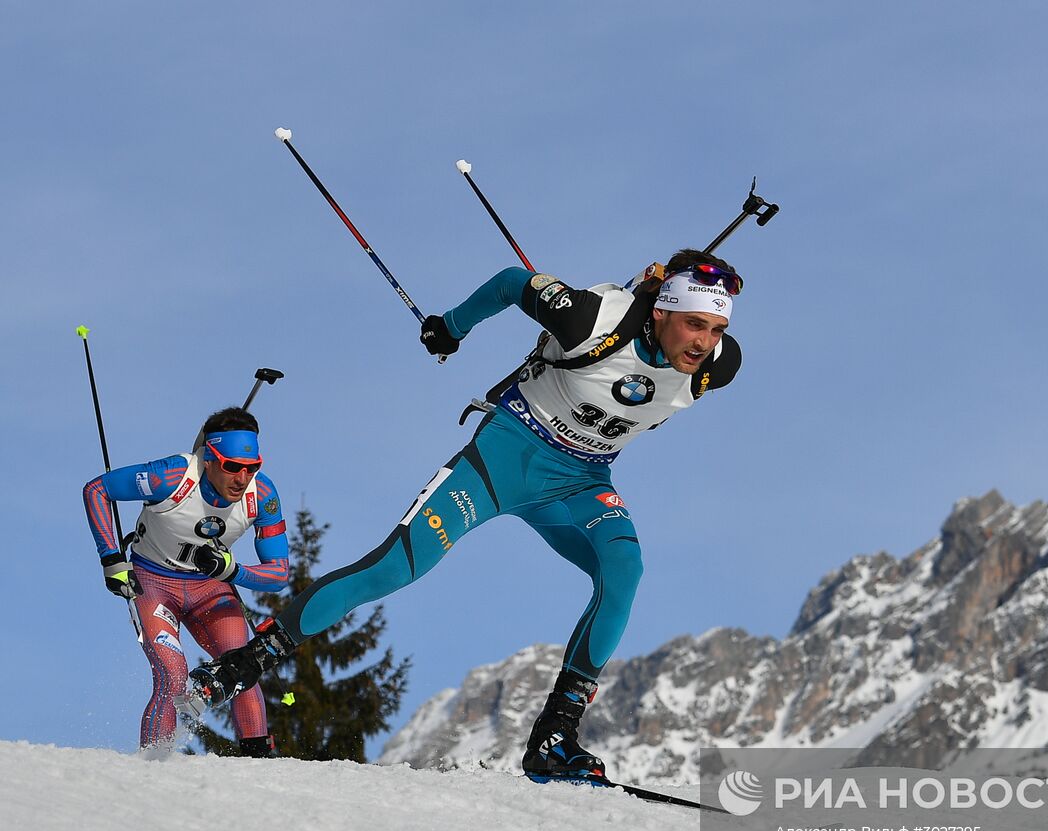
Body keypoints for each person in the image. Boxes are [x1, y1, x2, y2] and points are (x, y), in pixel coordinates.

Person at [190, 249, 744, 779]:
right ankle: (243, 664)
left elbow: (696, 352)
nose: (705, 342)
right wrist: (450, 327)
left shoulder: (718, 366)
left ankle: (554, 738)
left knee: (624, 572)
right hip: (504, 458)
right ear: (663, 309)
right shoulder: (591, 320)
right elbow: (511, 282)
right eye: (695, 324)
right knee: (394, 568)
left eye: (716, 329)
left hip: (580, 482)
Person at [84, 407, 291, 755]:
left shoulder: (263, 497)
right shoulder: (173, 476)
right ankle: (153, 769)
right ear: (208, 458)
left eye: (251, 467)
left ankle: (260, 766)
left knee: (242, 666)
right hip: (153, 585)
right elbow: (96, 490)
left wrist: (232, 571)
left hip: (209, 587)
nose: (242, 478)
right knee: (173, 675)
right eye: (231, 467)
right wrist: (111, 560)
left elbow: (279, 574)